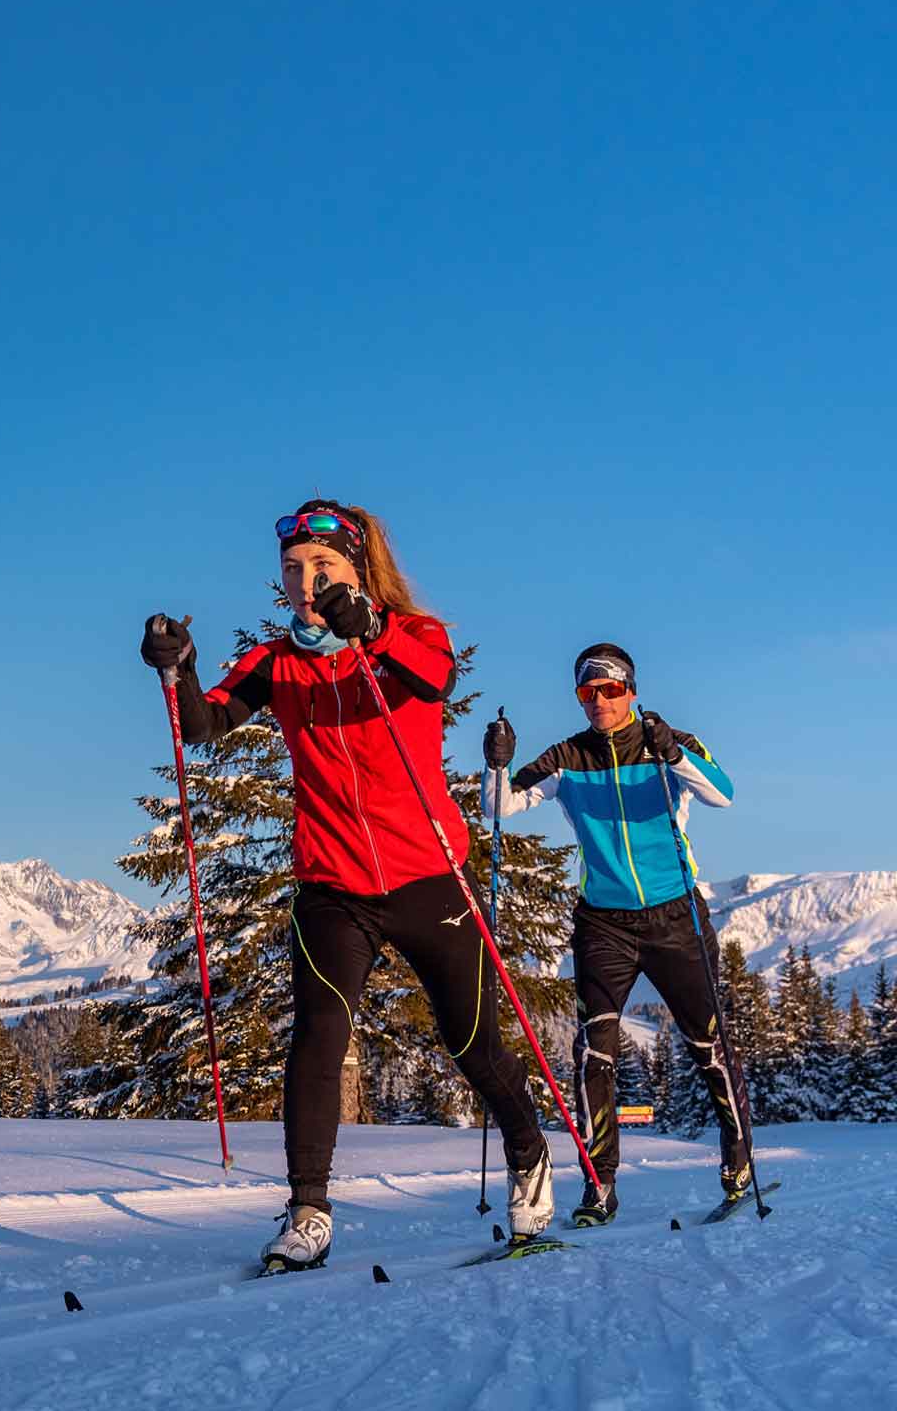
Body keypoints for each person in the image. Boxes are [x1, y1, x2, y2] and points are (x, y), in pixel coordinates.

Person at [141, 499, 552, 1272]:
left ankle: (530, 1155)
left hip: (428, 873)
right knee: (318, 1041)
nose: (304, 583)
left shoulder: (415, 636)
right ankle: (308, 1210)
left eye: (322, 568)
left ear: (360, 570)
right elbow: (203, 725)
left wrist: (370, 629)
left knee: (471, 1042)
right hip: (333, 882)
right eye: (292, 570)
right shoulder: (277, 662)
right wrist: (178, 667)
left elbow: (431, 680)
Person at [482, 643, 750, 1224]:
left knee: (708, 1045)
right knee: (592, 1052)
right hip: (603, 921)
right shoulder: (567, 758)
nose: (598, 701)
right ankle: (599, 1185)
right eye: (586, 692)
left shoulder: (665, 741)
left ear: (630, 689)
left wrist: (674, 754)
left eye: (609, 690)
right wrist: (497, 762)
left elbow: (722, 792)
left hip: (674, 914)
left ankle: (738, 1158)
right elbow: (498, 808)